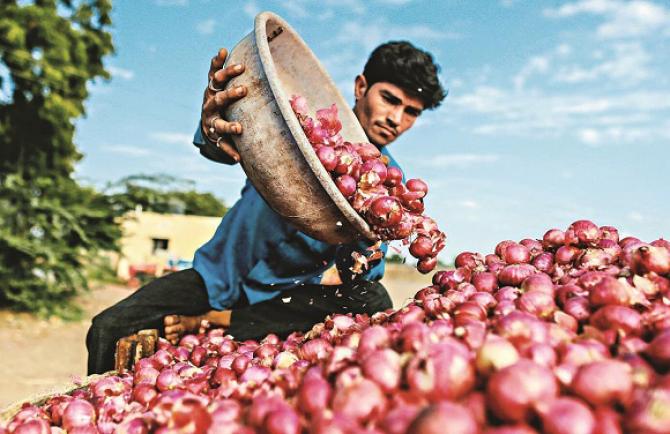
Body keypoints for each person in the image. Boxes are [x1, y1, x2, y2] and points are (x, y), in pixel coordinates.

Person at [86, 40, 446, 375]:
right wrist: (213, 127)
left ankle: (221, 321)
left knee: (374, 298)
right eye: (389, 99)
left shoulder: (390, 184)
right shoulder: (298, 127)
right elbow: (225, 144)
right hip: (219, 278)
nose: (396, 119)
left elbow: (362, 275)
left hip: (286, 296)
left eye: (411, 112)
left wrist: (364, 248)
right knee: (109, 328)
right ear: (360, 86)